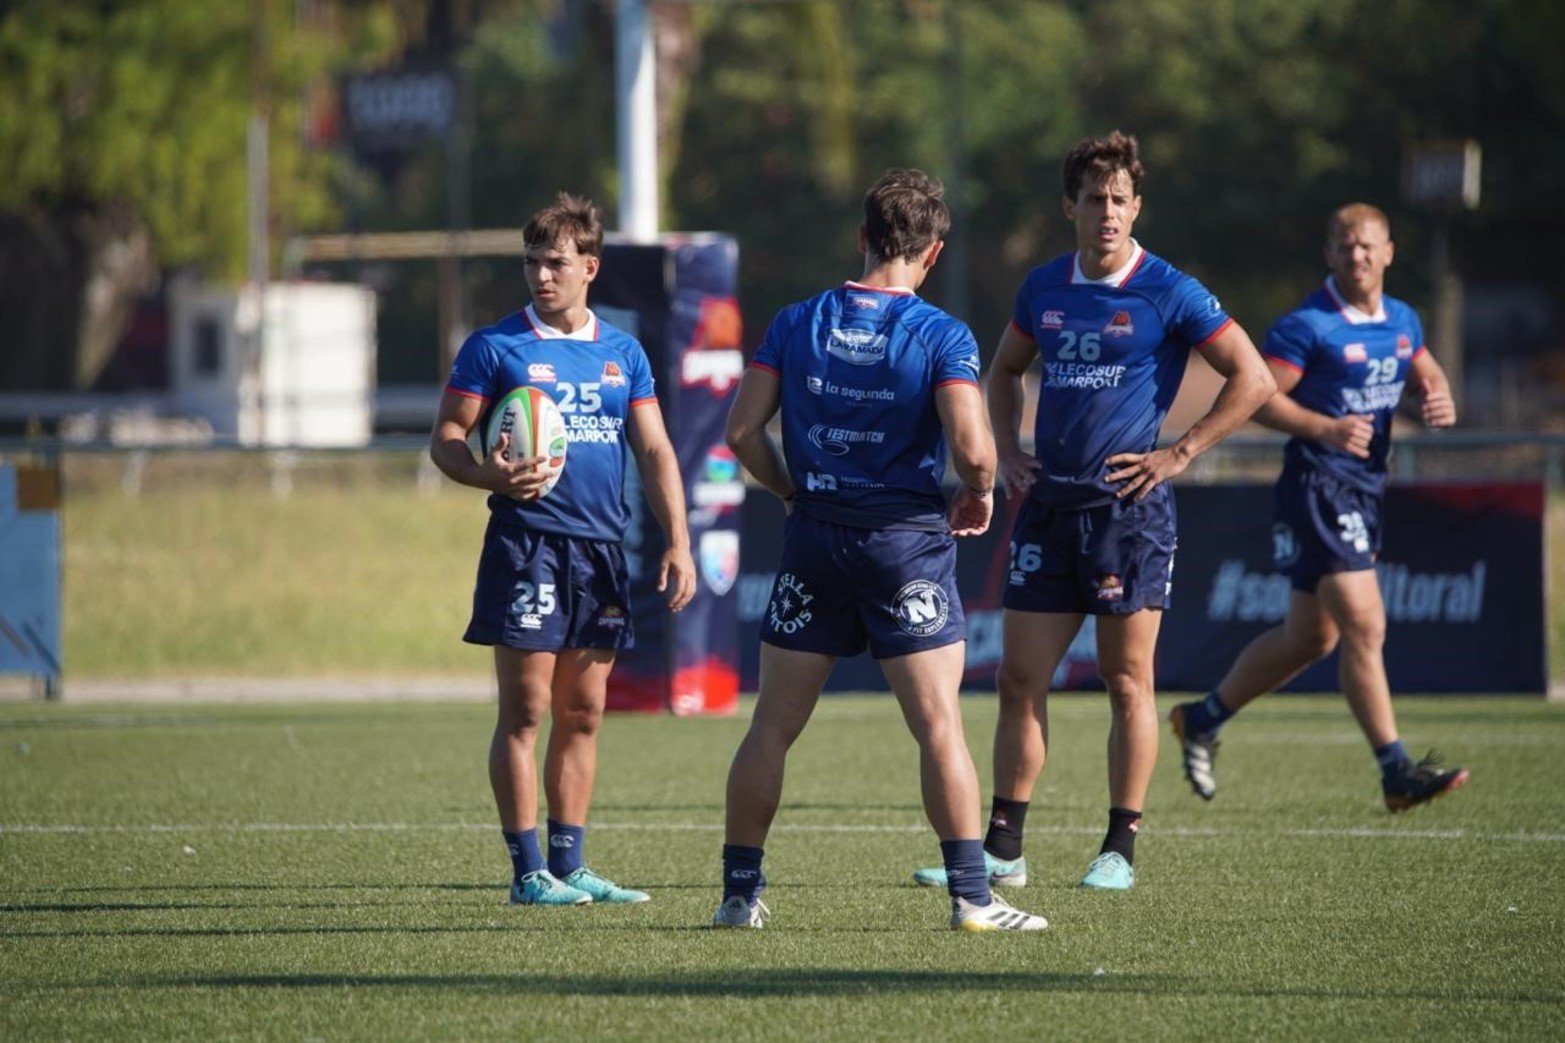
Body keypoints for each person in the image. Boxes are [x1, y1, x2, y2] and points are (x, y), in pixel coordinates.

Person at [914, 130, 1274, 893]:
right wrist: (1005, 450)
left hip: (1129, 514)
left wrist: (1179, 452)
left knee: (1124, 679)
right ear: (1068, 208)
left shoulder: (1169, 289)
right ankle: (1003, 848)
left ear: (1135, 207)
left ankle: (1118, 846)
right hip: (1048, 509)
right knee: (1018, 678)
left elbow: (1253, 377)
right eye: (1092, 200)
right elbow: (1002, 368)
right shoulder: (1043, 286)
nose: (1106, 212)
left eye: (1118, 200)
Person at [714, 169, 1047, 932]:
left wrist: (792, 493)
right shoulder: (939, 333)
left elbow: (740, 433)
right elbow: (974, 448)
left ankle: (739, 894)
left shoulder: (797, 321)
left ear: (863, 238)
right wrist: (981, 490)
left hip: (814, 540)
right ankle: (972, 898)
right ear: (931, 252)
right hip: (903, 545)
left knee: (771, 725)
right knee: (937, 726)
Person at [429, 193, 696, 907]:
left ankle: (571, 864)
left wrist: (678, 539)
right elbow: (446, 439)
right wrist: (487, 473)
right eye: (531, 262)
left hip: (601, 551)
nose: (540, 275)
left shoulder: (622, 353)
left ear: (590, 268)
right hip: (528, 548)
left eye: (555, 263)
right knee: (524, 712)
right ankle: (526, 872)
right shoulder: (495, 347)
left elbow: (655, 449)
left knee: (584, 712)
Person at [1169, 203, 1469, 811]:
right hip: (1319, 487)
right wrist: (1322, 428)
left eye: (1366, 246)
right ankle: (1396, 771)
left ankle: (1202, 718)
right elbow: (1257, 397)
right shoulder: (1308, 325)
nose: (1355, 256)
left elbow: (1425, 371)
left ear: (1388, 252)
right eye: (1343, 246)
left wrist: (1439, 398)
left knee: (1311, 638)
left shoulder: (1404, 318)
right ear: (1329, 254)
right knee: (1366, 624)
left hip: (1363, 489)